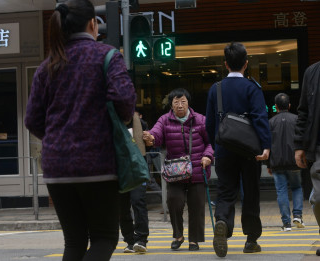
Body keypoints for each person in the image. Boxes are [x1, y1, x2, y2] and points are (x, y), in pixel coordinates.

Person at [24, 1, 136, 260]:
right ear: (93, 24)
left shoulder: (47, 67)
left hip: (57, 168)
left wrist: (58, 139)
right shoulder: (107, 56)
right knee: (104, 238)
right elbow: (124, 102)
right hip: (98, 165)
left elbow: (32, 119)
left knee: (74, 241)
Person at [205, 42, 271, 257]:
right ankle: (251, 240)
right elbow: (260, 119)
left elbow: (209, 125)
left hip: (224, 148)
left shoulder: (216, 89)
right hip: (249, 150)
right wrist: (266, 146)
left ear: (225, 64)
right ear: (246, 63)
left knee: (225, 190)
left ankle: (223, 221)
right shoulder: (252, 88)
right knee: (250, 192)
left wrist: (216, 145)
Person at [143, 88, 214, 251]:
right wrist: (151, 138)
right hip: (175, 171)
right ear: (171, 105)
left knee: (196, 206)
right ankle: (178, 235)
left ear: (188, 103)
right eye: (176, 102)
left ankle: (194, 240)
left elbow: (211, 142)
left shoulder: (201, 120)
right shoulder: (164, 120)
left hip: (197, 169)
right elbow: (156, 135)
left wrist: (208, 156)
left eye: (183, 101)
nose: (180, 105)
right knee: (174, 201)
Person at [267, 93, 304, 231]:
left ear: (275, 107)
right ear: (289, 105)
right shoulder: (297, 119)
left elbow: (268, 145)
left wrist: (269, 165)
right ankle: (298, 215)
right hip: (295, 161)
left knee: (281, 191)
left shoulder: (270, 122)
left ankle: (286, 223)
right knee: (297, 187)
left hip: (277, 163)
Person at [294, 60, 320, 256]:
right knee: (318, 198)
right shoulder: (311, 72)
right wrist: (299, 146)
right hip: (317, 147)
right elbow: (303, 111)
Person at [120, 112, 149, 253]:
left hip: (137, 168)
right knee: (122, 206)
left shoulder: (141, 123)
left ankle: (141, 239)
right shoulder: (111, 122)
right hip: (118, 169)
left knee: (138, 201)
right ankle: (130, 240)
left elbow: (148, 145)